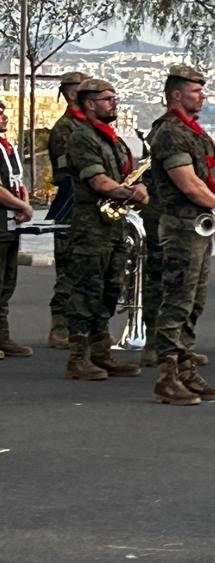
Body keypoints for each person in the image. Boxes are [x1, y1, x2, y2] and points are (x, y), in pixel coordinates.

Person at [146, 65, 215, 405]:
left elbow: (208, 176)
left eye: (202, 89)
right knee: (177, 300)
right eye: (195, 90)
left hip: (198, 224)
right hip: (180, 224)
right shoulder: (170, 131)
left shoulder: (194, 132)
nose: (202, 95)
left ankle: (185, 370)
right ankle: (166, 376)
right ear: (175, 94)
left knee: (193, 302)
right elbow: (187, 183)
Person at [60, 77, 146, 381]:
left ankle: (101, 353)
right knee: (85, 290)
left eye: (115, 98)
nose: (114, 103)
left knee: (110, 290)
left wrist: (139, 186)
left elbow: (126, 176)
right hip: (90, 225)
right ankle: (78, 357)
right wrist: (130, 193)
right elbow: (98, 181)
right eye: (107, 99)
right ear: (90, 103)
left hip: (113, 225)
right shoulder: (82, 137)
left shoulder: (114, 140)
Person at [44, 70, 89, 349]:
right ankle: (59, 326)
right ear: (72, 93)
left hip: (85, 203)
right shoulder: (65, 128)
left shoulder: (85, 125)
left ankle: (78, 326)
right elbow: (67, 170)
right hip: (70, 204)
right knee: (67, 269)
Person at [0, 101, 35, 358]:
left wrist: (24, 205)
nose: (4, 117)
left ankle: (3, 337)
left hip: (11, 223)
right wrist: (21, 205)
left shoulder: (6, 146)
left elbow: (15, 181)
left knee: (6, 283)